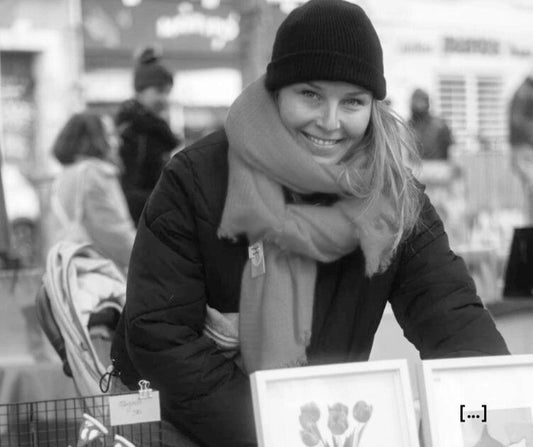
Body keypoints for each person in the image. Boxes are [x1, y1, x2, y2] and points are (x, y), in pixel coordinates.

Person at [111, 1, 509, 446]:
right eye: (311, 95)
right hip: (189, 425)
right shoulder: (196, 182)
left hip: (320, 428)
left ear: (372, 106)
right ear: (277, 88)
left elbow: (452, 317)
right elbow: (160, 336)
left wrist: (488, 417)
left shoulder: (394, 197)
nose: (331, 122)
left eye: (353, 101)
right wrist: (277, 431)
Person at [47, 112, 136, 271]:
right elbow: (114, 231)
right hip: (102, 274)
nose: (117, 142)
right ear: (91, 140)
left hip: (69, 273)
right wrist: (148, 258)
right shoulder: (96, 173)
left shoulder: (65, 175)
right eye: (109, 135)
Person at [115, 47, 180, 225]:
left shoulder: (155, 130)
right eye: (159, 91)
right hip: (138, 220)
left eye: (167, 92)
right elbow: (129, 186)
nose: (164, 99)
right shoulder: (133, 130)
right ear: (140, 91)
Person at [509, 75, 533, 222]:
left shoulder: (523, 91)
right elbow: (518, 121)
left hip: (523, 149)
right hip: (524, 150)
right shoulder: (525, 93)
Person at [409, 88, 453, 160]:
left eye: (421, 101)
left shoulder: (440, 125)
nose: (418, 104)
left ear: (427, 103)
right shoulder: (407, 126)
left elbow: (449, 150)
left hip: (436, 167)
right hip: (413, 167)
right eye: (415, 100)